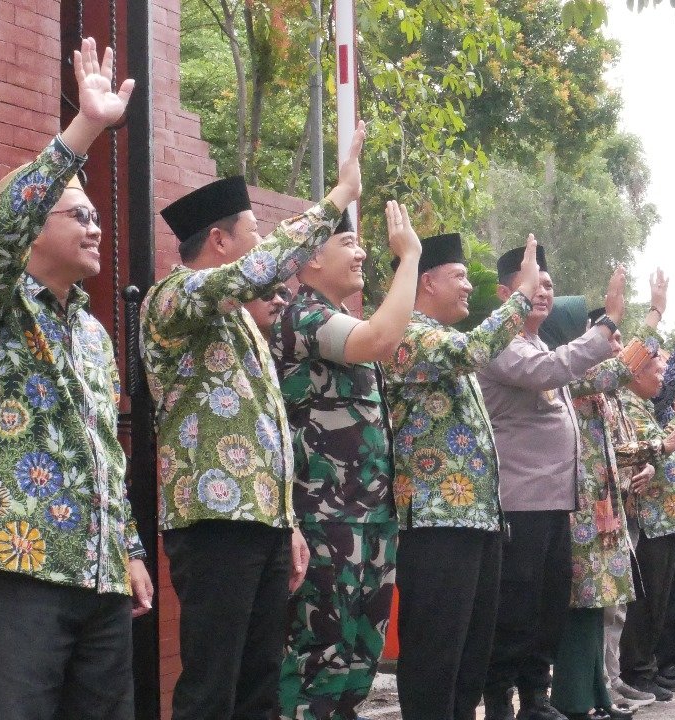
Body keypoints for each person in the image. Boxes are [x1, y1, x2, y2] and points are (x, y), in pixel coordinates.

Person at [0, 38, 153, 717]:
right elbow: (0, 237)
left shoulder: (93, 333)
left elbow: (106, 450)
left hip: (102, 584)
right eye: (79, 214)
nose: (96, 228)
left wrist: (129, 549)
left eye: (96, 214)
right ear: (33, 229)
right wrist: (85, 128)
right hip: (23, 570)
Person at [141, 122, 366, 718]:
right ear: (219, 240)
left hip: (262, 520)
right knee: (213, 682)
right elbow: (259, 269)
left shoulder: (244, 320)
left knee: (261, 680)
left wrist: (287, 521)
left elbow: (269, 429)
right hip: (213, 519)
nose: (263, 242)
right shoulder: (171, 299)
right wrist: (338, 196)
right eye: (254, 230)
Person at [272, 203, 422, 719]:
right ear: (310, 260)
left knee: (361, 656)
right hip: (324, 517)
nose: (361, 253)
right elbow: (381, 340)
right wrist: (410, 260)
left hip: (368, 515)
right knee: (320, 653)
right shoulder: (303, 317)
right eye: (348, 244)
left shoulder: (338, 320)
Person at [383, 235, 541, 720]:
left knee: (469, 662)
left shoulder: (444, 340)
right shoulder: (408, 334)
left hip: (475, 522)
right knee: (436, 662)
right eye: (461, 276)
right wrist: (522, 293)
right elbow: (476, 349)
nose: (470, 286)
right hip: (435, 524)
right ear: (426, 281)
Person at [477, 249, 625, 720]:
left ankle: (535, 696)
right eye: (532, 283)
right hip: (519, 502)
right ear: (505, 295)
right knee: (515, 609)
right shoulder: (504, 343)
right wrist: (604, 326)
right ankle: (500, 698)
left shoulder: (539, 345)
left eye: (549, 285)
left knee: (546, 607)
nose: (543, 292)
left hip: (555, 503)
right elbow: (552, 372)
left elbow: (596, 371)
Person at [538, 295, 648, 720]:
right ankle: (574, 700)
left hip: (599, 503)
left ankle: (595, 697)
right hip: (577, 506)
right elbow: (625, 366)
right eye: (585, 327)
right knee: (582, 603)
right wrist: (650, 314)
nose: (598, 336)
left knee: (596, 603)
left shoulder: (580, 374)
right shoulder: (568, 373)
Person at [614, 353, 675, 701]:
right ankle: (638, 671)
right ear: (635, 375)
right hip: (651, 516)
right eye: (657, 371)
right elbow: (651, 451)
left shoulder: (642, 405)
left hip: (667, 518)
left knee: (660, 599)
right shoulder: (629, 405)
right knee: (647, 601)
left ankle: (649, 667)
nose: (662, 379)